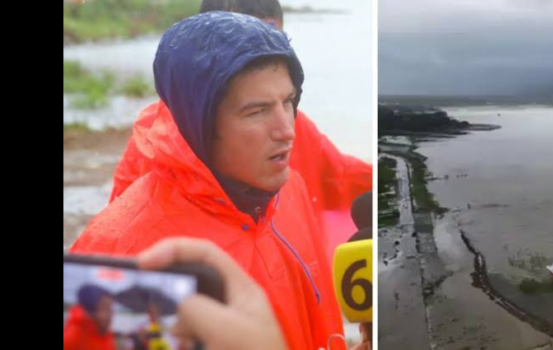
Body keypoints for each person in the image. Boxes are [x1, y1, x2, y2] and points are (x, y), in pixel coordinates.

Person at [71, 12, 344, 349]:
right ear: (198, 123)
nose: (287, 131)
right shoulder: (121, 250)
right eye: (256, 111)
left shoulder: (292, 190)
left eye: (288, 102)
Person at [108, 0, 372, 259]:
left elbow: (340, 175)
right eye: (247, 45)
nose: (285, 131)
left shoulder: (294, 159)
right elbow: (119, 231)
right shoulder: (152, 153)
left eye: (277, 40)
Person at [64, 285, 116, 350]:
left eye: (111, 308)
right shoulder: (71, 339)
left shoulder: (106, 334)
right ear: (89, 312)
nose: (111, 314)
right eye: (105, 308)